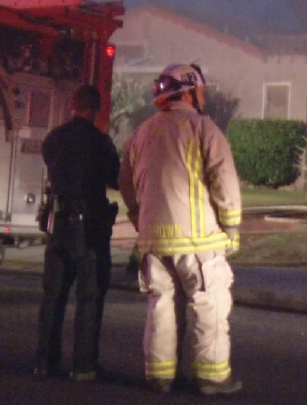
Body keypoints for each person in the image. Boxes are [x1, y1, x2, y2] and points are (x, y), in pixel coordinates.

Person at [118, 63, 243, 396]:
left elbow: (127, 185)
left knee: (161, 308)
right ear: (187, 92)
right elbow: (224, 180)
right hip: (198, 243)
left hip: (154, 244)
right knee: (209, 307)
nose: (202, 97)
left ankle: (159, 377)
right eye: (200, 92)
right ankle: (213, 379)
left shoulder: (140, 133)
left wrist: (139, 220)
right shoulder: (204, 128)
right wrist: (231, 226)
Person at [35, 85, 120, 381]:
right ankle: (83, 365)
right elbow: (116, 178)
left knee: (53, 295)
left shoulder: (54, 138)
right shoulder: (100, 142)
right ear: (95, 110)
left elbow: (50, 163)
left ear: (71, 105)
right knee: (89, 296)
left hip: (58, 225)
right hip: (90, 229)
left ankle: (45, 361)